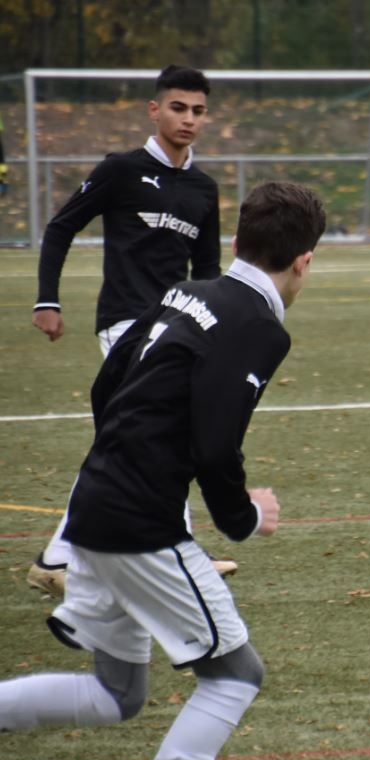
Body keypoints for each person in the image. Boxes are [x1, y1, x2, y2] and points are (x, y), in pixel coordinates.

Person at [1, 180, 327, 760]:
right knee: (236, 675)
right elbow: (215, 443)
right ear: (304, 261)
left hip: (92, 504)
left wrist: (120, 457)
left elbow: (107, 385)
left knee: (117, 695)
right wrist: (243, 517)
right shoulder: (260, 326)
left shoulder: (187, 291)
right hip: (139, 524)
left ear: (237, 240)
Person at [29, 64, 234, 595]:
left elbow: (206, 271)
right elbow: (61, 226)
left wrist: (213, 332)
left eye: (198, 111)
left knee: (145, 436)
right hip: (124, 323)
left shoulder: (203, 189)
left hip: (176, 328)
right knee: (150, 432)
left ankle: (66, 556)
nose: (189, 119)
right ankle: (75, 555)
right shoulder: (121, 170)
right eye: (178, 108)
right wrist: (47, 299)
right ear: (154, 109)